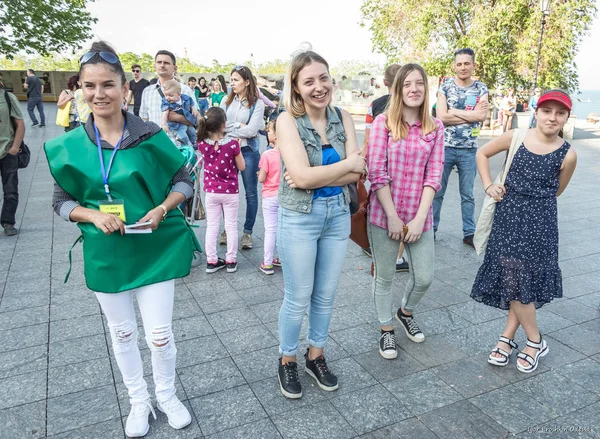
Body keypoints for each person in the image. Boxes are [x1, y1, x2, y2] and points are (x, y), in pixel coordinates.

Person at [44, 41, 200, 438]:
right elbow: (62, 202)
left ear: (124, 88)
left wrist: (163, 208)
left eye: (108, 85)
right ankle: (139, 400)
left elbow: (184, 178)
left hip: (154, 245)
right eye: (90, 85)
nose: (100, 94)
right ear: (80, 87)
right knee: (124, 332)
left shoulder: (149, 135)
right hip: (107, 249)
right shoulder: (69, 145)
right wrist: (93, 214)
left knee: (160, 335)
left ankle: (166, 394)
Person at [275, 51, 365, 399]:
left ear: (332, 80)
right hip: (300, 216)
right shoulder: (286, 121)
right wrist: (337, 169)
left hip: (338, 212)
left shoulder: (342, 116)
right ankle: (287, 360)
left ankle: (316, 356)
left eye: (323, 78)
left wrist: (313, 176)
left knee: (325, 296)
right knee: (297, 298)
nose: (318, 87)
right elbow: (299, 176)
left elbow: (359, 170)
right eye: (308, 81)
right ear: (296, 88)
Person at [471, 90, 577, 373]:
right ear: (537, 111)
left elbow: (557, 190)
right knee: (512, 277)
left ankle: (515, 339)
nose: (552, 117)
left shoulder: (569, 154)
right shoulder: (517, 135)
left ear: (567, 118)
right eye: (547, 111)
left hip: (540, 224)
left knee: (522, 281)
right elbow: (482, 153)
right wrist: (488, 184)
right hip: (508, 218)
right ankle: (533, 339)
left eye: (560, 113)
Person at [367, 64, 444, 360]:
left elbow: (434, 174)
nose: (414, 89)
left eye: (419, 84)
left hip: (420, 215)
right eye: (407, 84)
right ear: (397, 90)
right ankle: (386, 329)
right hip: (384, 215)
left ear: (426, 88)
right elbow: (377, 172)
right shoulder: (383, 124)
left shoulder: (435, 127)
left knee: (424, 277)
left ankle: (404, 312)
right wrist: (394, 217)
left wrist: (420, 218)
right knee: (384, 276)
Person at [433, 48, 489, 247]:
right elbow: (441, 117)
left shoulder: (481, 88)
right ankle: (431, 230)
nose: (463, 67)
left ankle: (469, 233)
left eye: (467, 63)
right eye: (459, 64)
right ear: (454, 66)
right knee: (437, 191)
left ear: (473, 65)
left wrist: (453, 111)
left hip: (469, 149)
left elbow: (481, 116)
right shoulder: (445, 87)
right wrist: (469, 114)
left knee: (468, 195)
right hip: (445, 148)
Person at [362, 63, 409, 272]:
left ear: (385, 83)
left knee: (379, 204)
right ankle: (397, 258)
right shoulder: (410, 105)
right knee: (401, 212)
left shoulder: (374, 104)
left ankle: (373, 241)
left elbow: (367, 138)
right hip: (402, 168)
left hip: (379, 163)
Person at [220, 66, 265, 250]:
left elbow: (253, 130)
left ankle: (247, 232)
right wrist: (239, 125)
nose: (232, 83)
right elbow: (219, 124)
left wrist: (234, 128)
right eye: (231, 79)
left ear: (247, 81)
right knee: (226, 193)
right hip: (227, 150)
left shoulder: (257, 103)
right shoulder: (226, 100)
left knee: (251, 193)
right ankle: (226, 229)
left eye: (236, 79)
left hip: (248, 152)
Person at [197, 107, 245, 274]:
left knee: (212, 226)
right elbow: (242, 166)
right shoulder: (232, 145)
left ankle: (212, 260)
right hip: (230, 191)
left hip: (211, 192)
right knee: (231, 225)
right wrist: (238, 148)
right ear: (224, 125)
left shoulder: (201, 145)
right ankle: (231, 260)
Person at [139, 50, 199, 127]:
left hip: (178, 138)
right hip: (156, 138)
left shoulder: (185, 90)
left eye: (166, 63)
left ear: (175, 68)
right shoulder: (147, 91)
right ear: (155, 66)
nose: (162, 65)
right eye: (159, 62)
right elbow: (144, 120)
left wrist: (178, 118)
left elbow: (198, 121)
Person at [0, 85, 25, 236]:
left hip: (7, 151)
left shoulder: (7, 98)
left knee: (10, 190)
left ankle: (8, 222)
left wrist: (14, 147)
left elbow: (20, 124)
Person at [258, 119, 281, 275]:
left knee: (270, 230)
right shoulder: (288, 154)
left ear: (277, 135)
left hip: (269, 196)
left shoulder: (267, 154)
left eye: (270, 131)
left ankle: (267, 263)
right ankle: (281, 258)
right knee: (282, 229)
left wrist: (259, 174)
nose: (268, 133)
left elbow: (261, 178)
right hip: (284, 197)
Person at [160, 80, 199, 146]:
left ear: (179, 94)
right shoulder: (166, 103)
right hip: (177, 126)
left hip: (188, 122)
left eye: (170, 95)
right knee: (183, 137)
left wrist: (193, 109)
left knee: (193, 133)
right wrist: (164, 124)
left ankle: (195, 144)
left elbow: (191, 102)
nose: (168, 98)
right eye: (166, 95)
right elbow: (165, 114)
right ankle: (187, 147)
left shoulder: (185, 98)